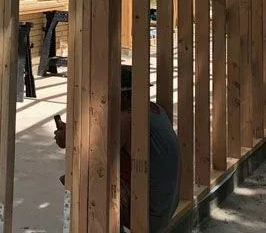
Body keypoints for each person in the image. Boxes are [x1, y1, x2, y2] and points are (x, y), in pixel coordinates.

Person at [54, 65, 180, 232]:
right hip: (164, 209)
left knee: (87, 183)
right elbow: (102, 137)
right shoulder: (154, 111)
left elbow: (93, 155)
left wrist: (69, 142)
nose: (107, 99)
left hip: (150, 214)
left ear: (126, 95)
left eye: (113, 95)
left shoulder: (128, 119)